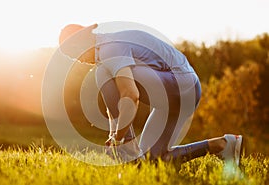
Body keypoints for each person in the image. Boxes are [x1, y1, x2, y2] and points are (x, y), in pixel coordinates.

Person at [58, 23, 243, 165]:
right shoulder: (107, 48)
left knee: (102, 73)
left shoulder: (110, 49)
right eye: (73, 58)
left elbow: (131, 96)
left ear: (82, 40)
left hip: (182, 86)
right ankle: (223, 145)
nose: (79, 60)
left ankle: (126, 146)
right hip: (182, 93)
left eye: (76, 53)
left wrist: (118, 138)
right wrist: (116, 133)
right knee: (153, 160)